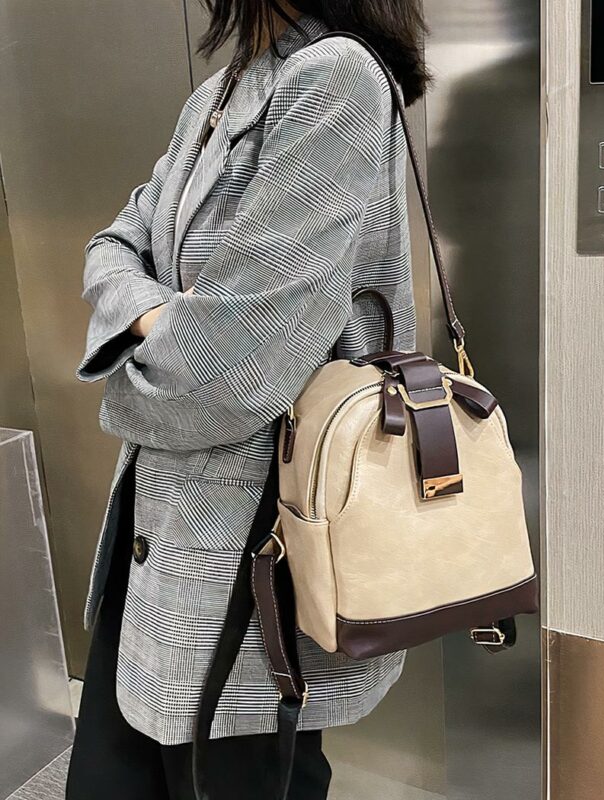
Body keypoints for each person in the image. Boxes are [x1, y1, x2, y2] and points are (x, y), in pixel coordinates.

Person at [67, 2, 427, 797]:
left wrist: (154, 327)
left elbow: (230, 373)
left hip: (255, 557)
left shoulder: (335, 77)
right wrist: (171, 321)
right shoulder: (222, 91)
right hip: (157, 538)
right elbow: (110, 245)